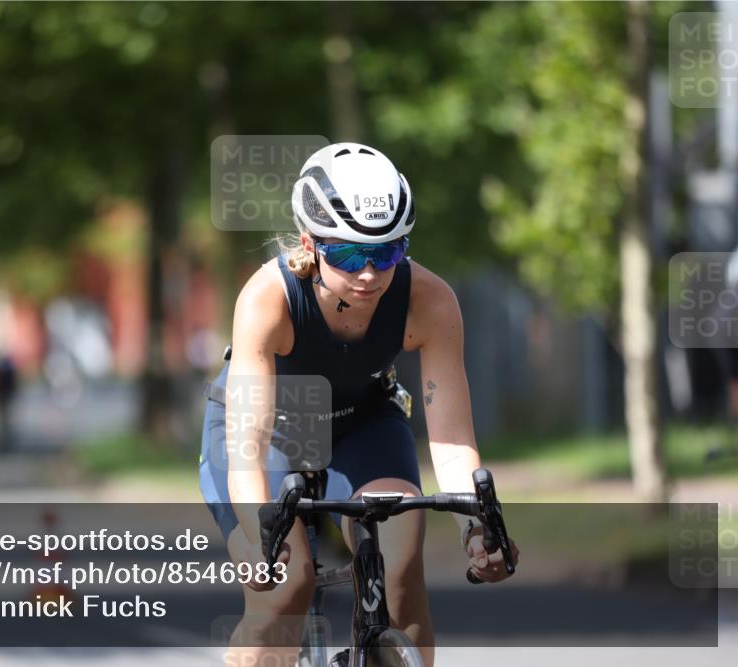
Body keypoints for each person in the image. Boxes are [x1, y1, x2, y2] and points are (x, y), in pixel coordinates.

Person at [198, 143, 518, 667]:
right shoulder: (268, 298)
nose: (369, 273)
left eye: (386, 253)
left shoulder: (430, 300)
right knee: (286, 586)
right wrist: (260, 539)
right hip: (265, 431)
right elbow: (248, 444)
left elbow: (452, 440)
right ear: (310, 242)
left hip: (361, 422)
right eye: (347, 254)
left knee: (401, 568)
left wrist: (476, 530)